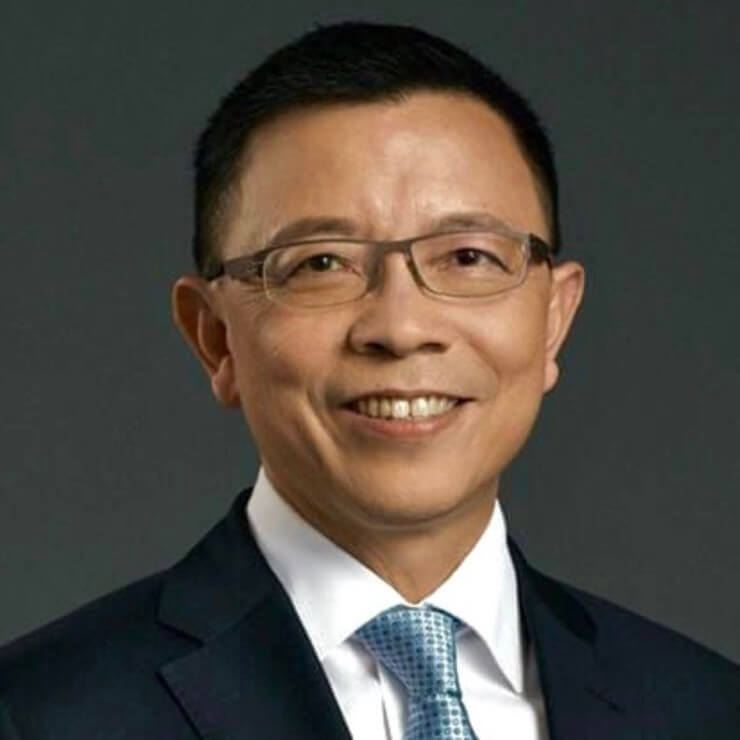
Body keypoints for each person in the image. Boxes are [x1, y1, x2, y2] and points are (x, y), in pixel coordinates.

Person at [1, 21, 738, 740]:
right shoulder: (39, 714)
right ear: (215, 336)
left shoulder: (707, 709)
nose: (402, 326)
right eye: (322, 263)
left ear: (553, 319)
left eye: (469, 257)